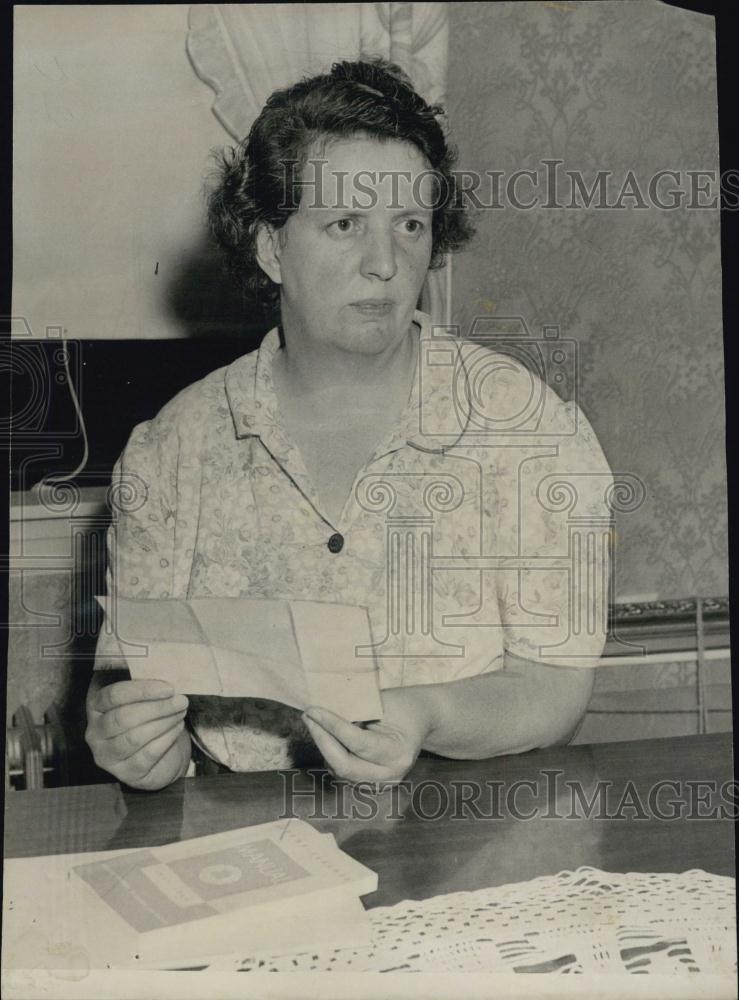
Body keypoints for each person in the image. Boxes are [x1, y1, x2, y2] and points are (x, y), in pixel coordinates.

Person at [85, 58, 613, 791]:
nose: (384, 264)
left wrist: (424, 712)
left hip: (473, 830)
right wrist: (137, 749)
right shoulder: (169, 453)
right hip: (249, 847)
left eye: (408, 225)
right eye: (343, 224)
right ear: (271, 247)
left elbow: (554, 690)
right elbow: (134, 694)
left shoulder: (526, 429)